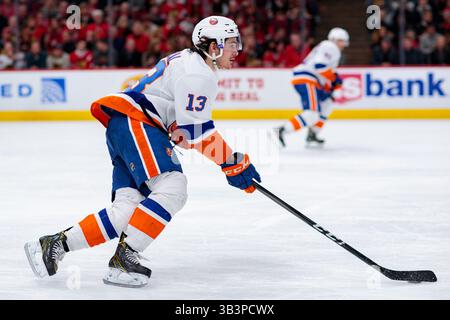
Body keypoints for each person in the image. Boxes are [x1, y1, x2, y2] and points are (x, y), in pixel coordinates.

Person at [24, 16, 261, 288]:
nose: (238, 50)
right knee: (173, 187)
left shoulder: (189, 63)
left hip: (124, 125)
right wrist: (232, 163)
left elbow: (182, 124)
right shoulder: (199, 74)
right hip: (137, 123)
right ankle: (125, 259)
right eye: (232, 44)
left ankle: (55, 245)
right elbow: (198, 132)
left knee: (128, 209)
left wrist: (185, 134)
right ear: (212, 46)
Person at [276, 27, 349, 146]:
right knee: (311, 114)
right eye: (341, 40)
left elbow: (323, 72)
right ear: (334, 39)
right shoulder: (330, 46)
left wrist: (330, 86)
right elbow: (320, 66)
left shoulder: (329, 47)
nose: (343, 44)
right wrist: (334, 78)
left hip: (312, 80)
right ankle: (281, 131)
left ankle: (313, 133)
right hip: (307, 79)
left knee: (327, 103)